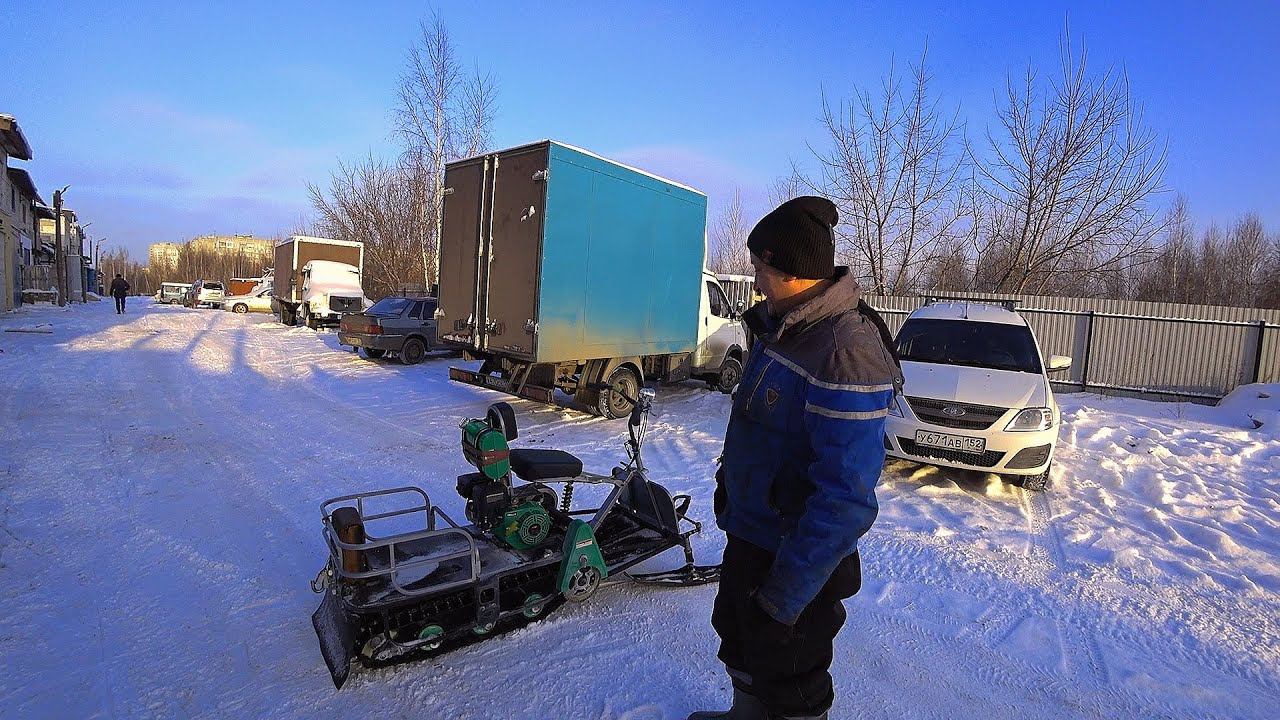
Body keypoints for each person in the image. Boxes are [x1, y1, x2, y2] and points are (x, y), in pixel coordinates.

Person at [689, 197, 901, 720]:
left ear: (791, 271)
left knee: (791, 673)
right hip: (753, 531)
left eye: (761, 267)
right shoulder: (783, 324)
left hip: (795, 554)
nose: (755, 279)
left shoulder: (843, 350)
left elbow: (846, 499)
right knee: (739, 639)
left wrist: (788, 593)